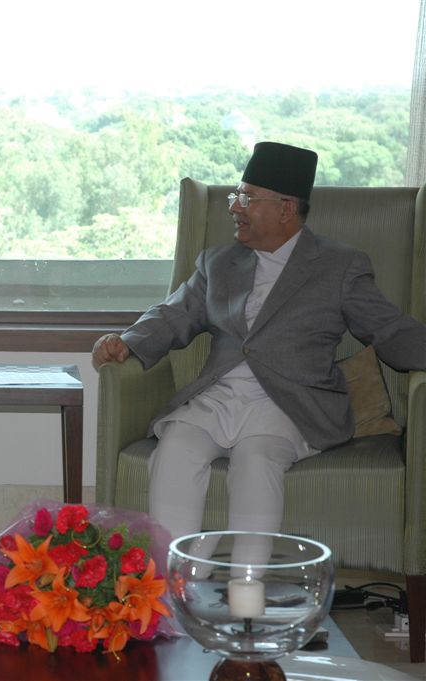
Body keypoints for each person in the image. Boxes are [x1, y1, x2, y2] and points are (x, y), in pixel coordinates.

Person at [92, 141, 426, 562]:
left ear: (286, 208)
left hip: (289, 401)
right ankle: (170, 589)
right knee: (174, 448)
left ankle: (245, 590)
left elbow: (389, 329)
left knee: (256, 461)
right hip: (219, 398)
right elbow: (173, 315)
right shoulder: (218, 263)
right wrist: (128, 341)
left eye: (247, 197)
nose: (234, 206)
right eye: (236, 195)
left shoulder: (339, 266)